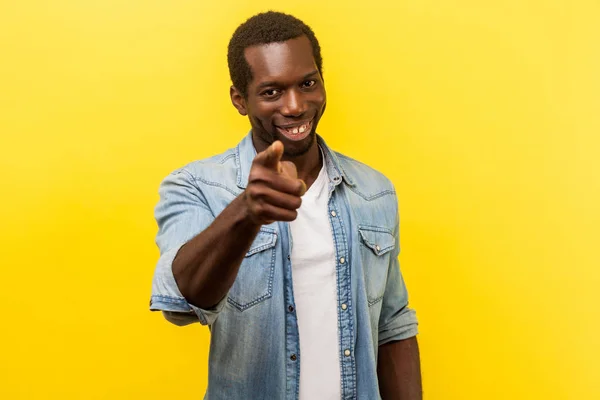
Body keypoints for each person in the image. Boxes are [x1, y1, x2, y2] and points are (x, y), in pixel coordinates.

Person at [149, 11, 421, 400]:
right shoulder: (195, 186)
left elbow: (393, 326)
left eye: (307, 83)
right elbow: (182, 304)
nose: (295, 106)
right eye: (272, 92)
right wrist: (245, 212)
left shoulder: (374, 191)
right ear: (240, 100)